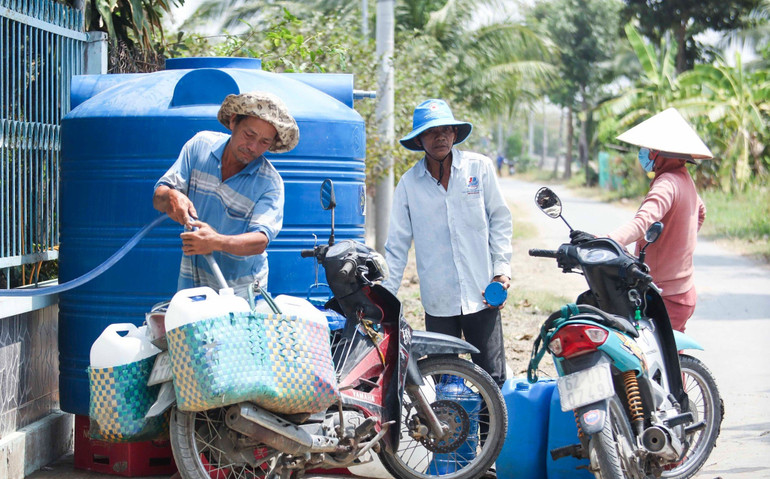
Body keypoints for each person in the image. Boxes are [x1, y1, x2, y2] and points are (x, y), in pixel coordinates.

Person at [383, 99, 513, 388]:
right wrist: (385, 298)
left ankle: (491, 434)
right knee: (444, 380)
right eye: (431, 132)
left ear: (455, 134)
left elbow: (500, 220)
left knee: (492, 377)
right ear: (420, 140)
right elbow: (397, 246)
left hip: (482, 294)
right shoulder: (408, 185)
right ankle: (453, 435)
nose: (439, 136)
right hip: (439, 301)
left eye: (445, 130)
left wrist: (501, 271)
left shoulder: (479, 169)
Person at [153, 90, 299, 298]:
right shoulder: (200, 147)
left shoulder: (269, 183)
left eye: (264, 142)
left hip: (241, 293)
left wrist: (215, 241)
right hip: (191, 284)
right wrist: (171, 196)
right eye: (249, 135)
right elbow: (158, 199)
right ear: (233, 122)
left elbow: (259, 241)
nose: (253, 147)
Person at [606, 108, 710, 332]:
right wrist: (678, 242)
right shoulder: (684, 178)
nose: (644, 153)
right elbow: (701, 212)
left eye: (649, 149)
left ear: (659, 153)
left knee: (656, 360)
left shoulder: (666, 184)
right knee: (671, 360)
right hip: (682, 289)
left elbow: (641, 223)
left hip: (667, 295)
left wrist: (608, 240)